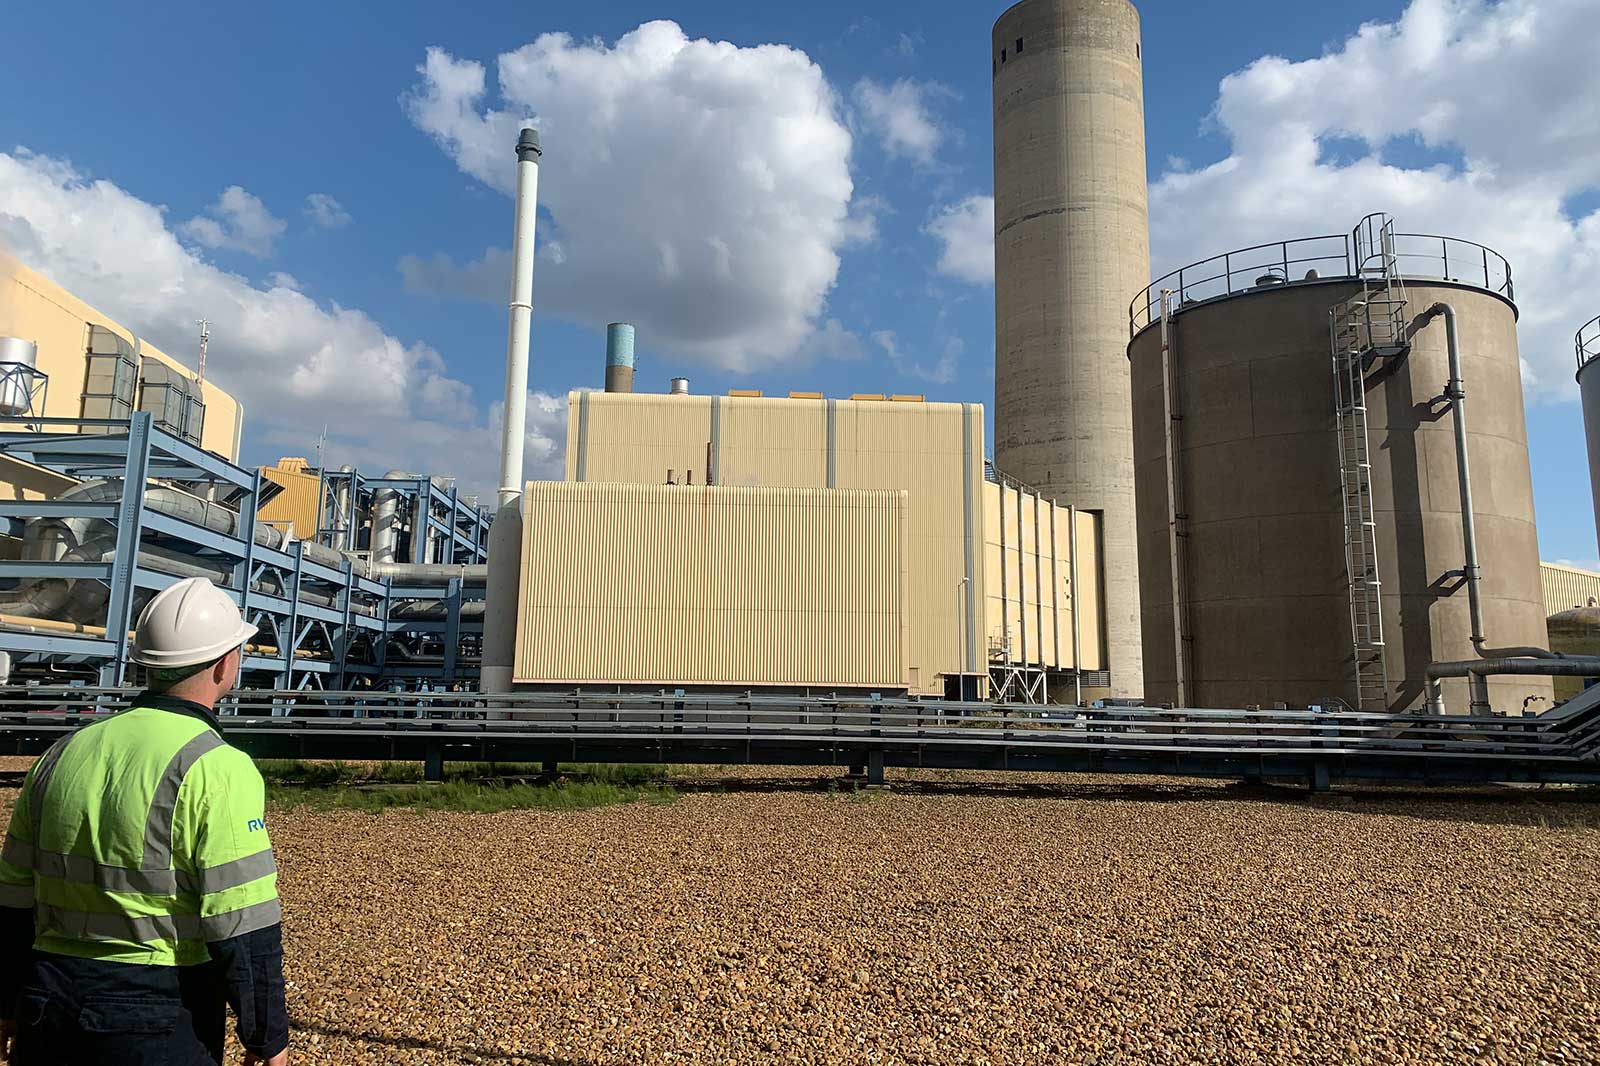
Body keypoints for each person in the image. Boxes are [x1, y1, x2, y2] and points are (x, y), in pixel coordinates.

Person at [0, 577, 289, 1065]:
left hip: (46, 1003)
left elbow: (11, 896)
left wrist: (6, 1001)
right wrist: (267, 1038)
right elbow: (243, 922)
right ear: (225, 664)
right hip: (157, 1012)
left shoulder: (63, 752)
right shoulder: (217, 767)